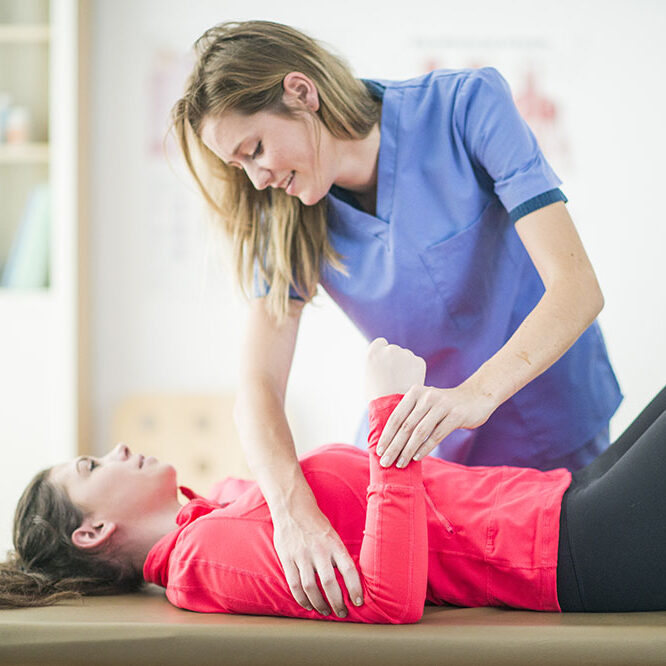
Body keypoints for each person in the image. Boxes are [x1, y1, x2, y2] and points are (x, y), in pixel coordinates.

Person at [170, 19, 623, 616]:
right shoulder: (285, 217)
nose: (257, 179)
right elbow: (257, 388)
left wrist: (474, 395)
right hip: (427, 458)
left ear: (300, 91)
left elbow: (577, 287)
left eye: (255, 149)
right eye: (240, 167)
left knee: (579, 597)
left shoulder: (464, 108)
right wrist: (292, 512)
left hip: (549, 417)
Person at [0, 340, 664, 618]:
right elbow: (386, 598)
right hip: (563, 552)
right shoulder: (205, 558)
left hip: (557, 505)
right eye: (91, 466)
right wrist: (384, 411)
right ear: (92, 530)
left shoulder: (219, 509)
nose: (115, 448)